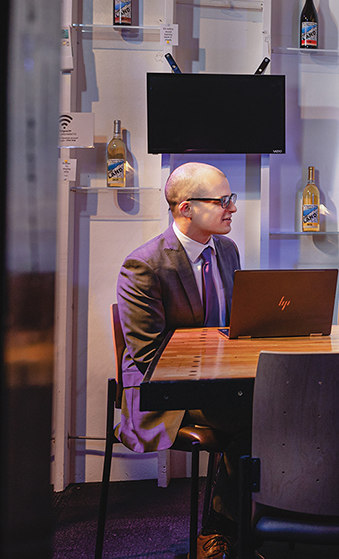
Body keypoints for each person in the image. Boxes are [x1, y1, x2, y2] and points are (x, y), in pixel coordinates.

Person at [116, 162, 248, 559]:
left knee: (278, 404)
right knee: (258, 417)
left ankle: (257, 518)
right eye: (222, 201)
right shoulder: (143, 265)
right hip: (165, 390)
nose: (232, 208)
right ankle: (219, 530)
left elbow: (234, 326)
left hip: (223, 381)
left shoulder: (227, 250)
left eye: (231, 199)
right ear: (185, 208)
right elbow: (150, 355)